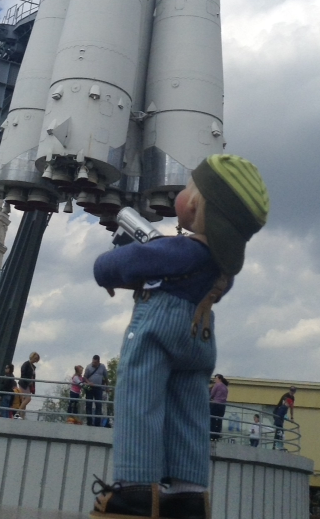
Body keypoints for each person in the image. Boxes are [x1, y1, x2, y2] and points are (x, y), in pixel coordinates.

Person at [90, 153, 269, 519]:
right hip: (199, 339)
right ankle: (189, 495)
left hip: (159, 330)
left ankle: (135, 491)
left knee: (139, 395)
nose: (182, 193)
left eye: (190, 187)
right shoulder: (220, 268)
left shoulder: (178, 249)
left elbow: (120, 264)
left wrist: (108, 269)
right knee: (190, 410)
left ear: (199, 205)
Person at [84, 355, 108, 427]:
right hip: (90, 388)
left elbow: (106, 377)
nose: (93, 363)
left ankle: (97, 423)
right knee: (89, 404)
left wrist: (107, 387)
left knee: (98, 405)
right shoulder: (88, 367)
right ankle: (89, 422)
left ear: (98, 362)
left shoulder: (102, 367)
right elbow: (84, 377)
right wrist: (88, 383)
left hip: (98, 388)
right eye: (92, 362)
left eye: (95, 362)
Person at [18, 352, 39, 416]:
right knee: (28, 398)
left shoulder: (32, 366)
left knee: (24, 400)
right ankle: (18, 412)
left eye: (36, 359)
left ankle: (22, 415)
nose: (35, 360)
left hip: (29, 385)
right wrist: (28, 381)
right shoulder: (26, 364)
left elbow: (33, 378)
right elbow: (23, 374)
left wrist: (33, 387)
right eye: (35, 358)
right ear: (32, 357)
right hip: (24, 384)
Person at [209, 374, 228, 440]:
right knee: (219, 420)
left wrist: (209, 399)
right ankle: (217, 435)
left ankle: (211, 435)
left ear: (219, 379)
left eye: (216, 378)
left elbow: (212, 394)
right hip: (223, 405)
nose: (215, 380)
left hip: (216, 404)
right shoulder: (225, 387)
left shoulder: (217, 385)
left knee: (213, 419)